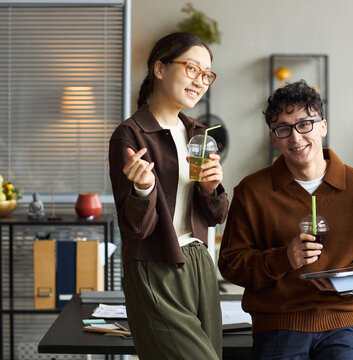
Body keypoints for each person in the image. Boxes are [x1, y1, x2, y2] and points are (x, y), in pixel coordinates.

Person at [218, 80, 353, 360]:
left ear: (322, 126)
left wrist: (346, 281)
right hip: (277, 325)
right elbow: (231, 264)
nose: (295, 138)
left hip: (340, 323)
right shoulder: (251, 191)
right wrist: (284, 258)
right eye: (283, 129)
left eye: (304, 124)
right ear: (273, 138)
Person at [108, 32, 228, 360]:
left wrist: (211, 188)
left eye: (206, 75)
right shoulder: (129, 135)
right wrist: (142, 189)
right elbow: (136, 229)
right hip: (154, 266)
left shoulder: (199, 133)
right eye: (191, 68)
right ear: (159, 69)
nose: (200, 81)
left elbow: (216, 215)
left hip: (200, 264)